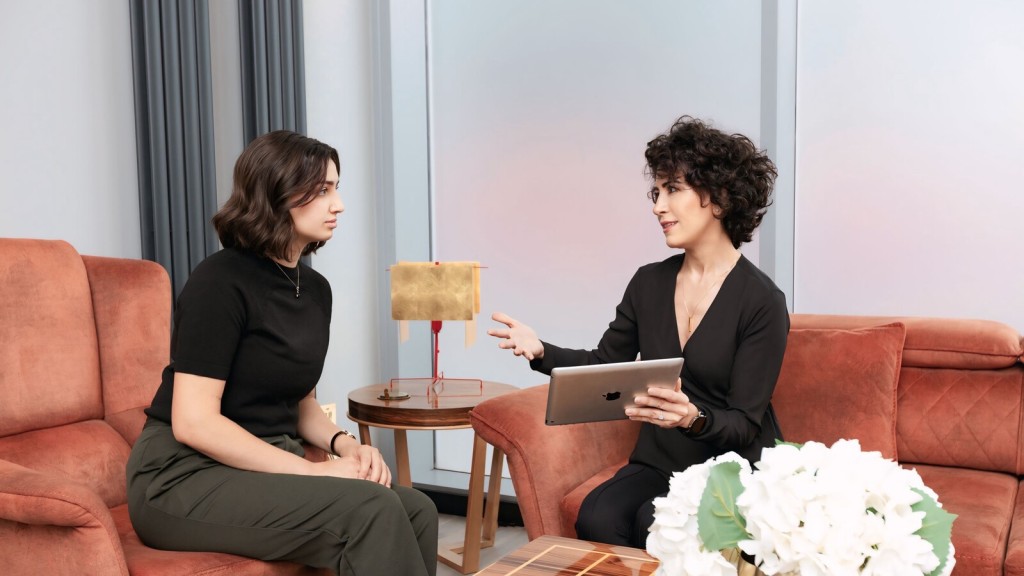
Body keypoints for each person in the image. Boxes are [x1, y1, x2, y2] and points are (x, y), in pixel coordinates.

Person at [127, 130, 438, 576]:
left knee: (416, 508)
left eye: (337, 187)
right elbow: (193, 422)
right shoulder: (220, 281)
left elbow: (301, 404)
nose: (339, 204)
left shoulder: (314, 290)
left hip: (256, 466)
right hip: (182, 476)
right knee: (370, 509)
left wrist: (346, 446)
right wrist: (312, 473)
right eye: (323, 190)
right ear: (276, 193)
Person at [488, 116, 789, 549]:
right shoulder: (649, 283)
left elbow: (743, 424)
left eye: (673, 189)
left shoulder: (762, 301)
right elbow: (603, 364)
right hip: (659, 459)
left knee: (654, 519)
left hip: (728, 464)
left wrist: (691, 416)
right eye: (656, 192)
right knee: (597, 515)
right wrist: (540, 351)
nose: (657, 207)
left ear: (719, 199)